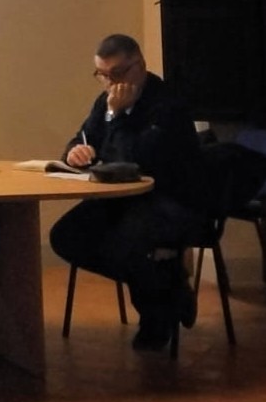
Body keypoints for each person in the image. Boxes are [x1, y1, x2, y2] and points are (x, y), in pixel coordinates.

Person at [49, 33, 204, 352]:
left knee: (126, 243)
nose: (110, 83)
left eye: (118, 73)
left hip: (170, 200)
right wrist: (75, 153)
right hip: (121, 200)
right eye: (102, 75)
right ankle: (168, 285)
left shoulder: (167, 104)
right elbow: (83, 137)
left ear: (140, 66)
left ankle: (155, 316)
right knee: (66, 236)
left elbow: (133, 161)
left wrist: (117, 116)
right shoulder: (106, 102)